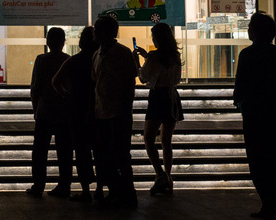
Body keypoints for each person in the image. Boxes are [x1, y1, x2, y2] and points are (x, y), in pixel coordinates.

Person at [233, 11, 276, 219]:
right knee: (271, 159)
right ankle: (271, 203)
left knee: (256, 160)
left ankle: (267, 203)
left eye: (250, 27)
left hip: (255, 112)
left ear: (255, 31)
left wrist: (238, 101)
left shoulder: (247, 54)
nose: (248, 30)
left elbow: (240, 84)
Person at [91, 15, 138, 208]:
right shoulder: (97, 54)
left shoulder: (122, 53)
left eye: (96, 29)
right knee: (106, 155)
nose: (93, 32)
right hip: (101, 111)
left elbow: (129, 84)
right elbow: (95, 81)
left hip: (117, 112)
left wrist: (125, 109)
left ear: (104, 33)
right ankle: (115, 191)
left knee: (121, 155)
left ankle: (127, 193)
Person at [52, 26, 101, 202]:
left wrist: (67, 96)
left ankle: (86, 189)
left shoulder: (74, 61)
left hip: (77, 108)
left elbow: (55, 82)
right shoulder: (99, 60)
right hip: (98, 107)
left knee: (82, 150)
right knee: (100, 149)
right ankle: (101, 188)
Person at [136, 22, 183, 196]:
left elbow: (143, 77)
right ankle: (168, 178)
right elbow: (173, 77)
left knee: (148, 138)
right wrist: (148, 57)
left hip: (158, 97)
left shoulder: (154, 57)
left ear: (157, 38)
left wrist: (138, 63)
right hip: (172, 97)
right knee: (166, 141)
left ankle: (159, 174)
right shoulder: (175, 56)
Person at [26, 27, 72, 198]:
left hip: (44, 110)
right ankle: (64, 184)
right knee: (65, 151)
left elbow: (35, 87)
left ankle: (38, 185)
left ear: (47, 42)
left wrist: (35, 108)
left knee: (40, 151)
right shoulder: (68, 60)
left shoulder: (41, 60)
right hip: (63, 111)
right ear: (63, 42)